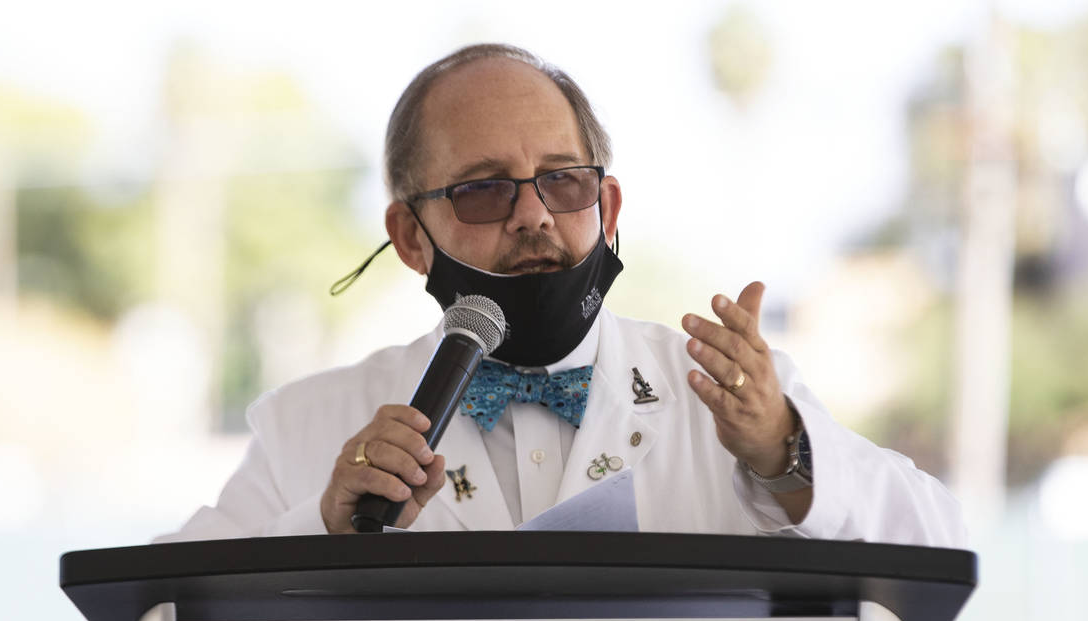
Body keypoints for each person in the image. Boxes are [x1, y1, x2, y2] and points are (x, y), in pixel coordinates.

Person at [157, 43, 964, 547]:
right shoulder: (311, 424)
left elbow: (937, 547)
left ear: (606, 209)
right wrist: (324, 527)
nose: (535, 214)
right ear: (409, 237)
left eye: (564, 181)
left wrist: (785, 454)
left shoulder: (732, 397)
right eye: (482, 190)